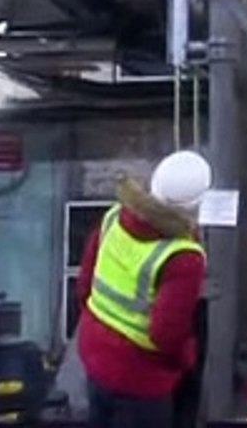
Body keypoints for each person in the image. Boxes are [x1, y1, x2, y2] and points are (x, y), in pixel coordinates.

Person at [76, 150, 211, 428]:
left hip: (95, 356)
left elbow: (84, 285)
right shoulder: (184, 257)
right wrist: (187, 357)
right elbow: (166, 334)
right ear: (197, 204)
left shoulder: (114, 217)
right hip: (140, 379)